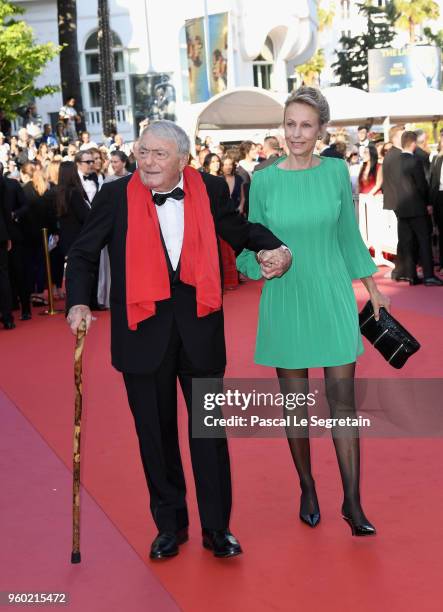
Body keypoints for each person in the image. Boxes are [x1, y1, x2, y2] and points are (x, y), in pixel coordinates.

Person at [65, 120, 291, 560]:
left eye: (158, 154)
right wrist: (78, 302)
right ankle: (169, 526)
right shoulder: (114, 196)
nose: (147, 162)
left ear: (182, 159)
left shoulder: (207, 188)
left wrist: (278, 247)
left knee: (208, 433)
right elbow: (83, 252)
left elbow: (237, 229)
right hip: (140, 333)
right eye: (142, 152)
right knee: (155, 435)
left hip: (200, 329)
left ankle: (217, 528)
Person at [237, 87, 390, 537]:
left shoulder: (335, 172)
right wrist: (260, 263)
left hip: (331, 296)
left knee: (343, 406)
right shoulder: (263, 179)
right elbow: (251, 243)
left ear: (322, 129)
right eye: (290, 124)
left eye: (306, 125)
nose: (296, 133)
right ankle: (306, 486)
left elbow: (347, 234)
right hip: (285, 298)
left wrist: (371, 286)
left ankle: (353, 502)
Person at [397, 131, 442, 286]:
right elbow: (422, 185)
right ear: (413, 143)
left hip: (401, 209)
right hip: (417, 208)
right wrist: (428, 203)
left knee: (407, 242)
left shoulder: (394, 161)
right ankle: (429, 276)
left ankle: (411, 275)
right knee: (424, 241)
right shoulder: (415, 161)